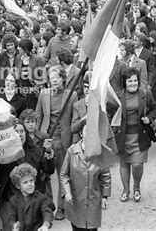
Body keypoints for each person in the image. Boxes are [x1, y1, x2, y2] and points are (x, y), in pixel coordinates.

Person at [36, 65, 78, 220]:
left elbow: (75, 119)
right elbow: (38, 117)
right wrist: (38, 137)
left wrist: (73, 141)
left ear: (62, 78)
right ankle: (46, 206)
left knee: (62, 174)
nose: (53, 80)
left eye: (56, 77)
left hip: (63, 139)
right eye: (51, 77)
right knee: (44, 175)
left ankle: (62, 206)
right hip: (46, 138)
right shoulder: (43, 94)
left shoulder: (71, 95)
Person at [113, 67, 156, 203]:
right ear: (124, 82)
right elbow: (109, 112)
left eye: (135, 81)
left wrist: (149, 118)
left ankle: (136, 187)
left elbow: (155, 108)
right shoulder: (117, 96)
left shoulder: (145, 94)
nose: (133, 83)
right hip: (123, 136)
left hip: (140, 136)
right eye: (130, 81)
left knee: (137, 164)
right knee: (124, 164)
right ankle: (125, 190)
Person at [60, 126, 111, 231]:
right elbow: (64, 175)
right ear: (81, 134)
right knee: (77, 226)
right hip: (76, 198)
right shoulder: (71, 151)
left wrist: (105, 196)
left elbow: (105, 176)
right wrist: (67, 192)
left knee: (92, 228)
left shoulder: (101, 152)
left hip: (93, 198)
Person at [7, 163, 54, 231]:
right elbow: (12, 218)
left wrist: (45, 225)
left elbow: (47, 212)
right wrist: (14, 225)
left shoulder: (42, 198)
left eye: (31, 180)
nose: (30, 184)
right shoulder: (13, 200)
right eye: (25, 182)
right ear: (18, 186)